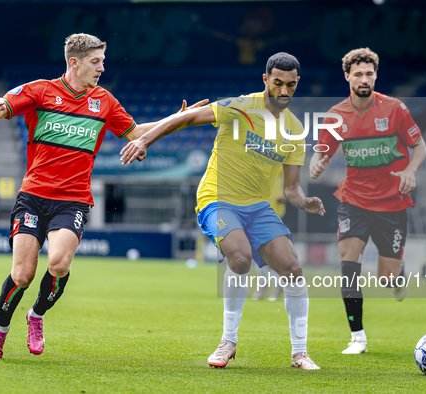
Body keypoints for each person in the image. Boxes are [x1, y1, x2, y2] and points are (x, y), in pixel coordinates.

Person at [0, 33, 206, 360]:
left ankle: (36, 316)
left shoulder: (104, 102)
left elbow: (137, 133)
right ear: (74, 62)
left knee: (58, 264)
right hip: (33, 196)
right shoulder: (41, 90)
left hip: (73, 199)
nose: (102, 67)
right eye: (95, 61)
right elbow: (0, 110)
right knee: (22, 274)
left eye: (102, 60)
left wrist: (179, 120)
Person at [121, 53, 325, 370]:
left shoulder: (295, 130)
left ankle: (300, 353)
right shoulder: (240, 106)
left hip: (257, 207)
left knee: (293, 270)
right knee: (240, 257)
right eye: (278, 83)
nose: (284, 91)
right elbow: (186, 118)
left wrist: (304, 201)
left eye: (291, 85)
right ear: (265, 80)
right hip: (217, 198)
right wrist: (145, 139)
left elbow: (291, 187)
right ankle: (228, 342)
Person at [308, 48, 426, 355]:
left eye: (369, 74)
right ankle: (357, 337)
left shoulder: (395, 109)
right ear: (347, 76)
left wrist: (411, 170)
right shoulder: (336, 115)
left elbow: (420, 147)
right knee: (349, 264)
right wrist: (317, 163)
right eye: (358, 74)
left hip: (392, 203)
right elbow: (321, 153)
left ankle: (397, 276)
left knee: (387, 278)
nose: (364, 79)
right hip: (354, 200)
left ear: (376, 75)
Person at [252, 167, 285, 301]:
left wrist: (286, 193)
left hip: (273, 210)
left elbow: (290, 177)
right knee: (258, 252)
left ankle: (270, 284)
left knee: (265, 252)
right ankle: (273, 284)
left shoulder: (280, 157)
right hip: (256, 208)